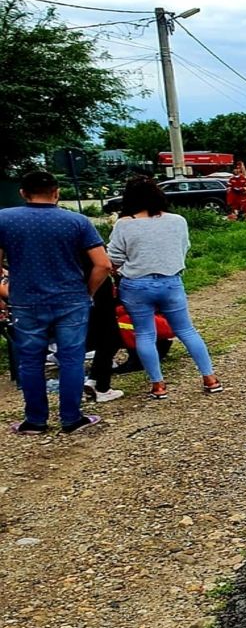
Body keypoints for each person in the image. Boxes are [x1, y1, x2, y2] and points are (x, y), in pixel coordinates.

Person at [0, 171, 111, 434]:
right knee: (71, 359)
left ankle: (35, 421)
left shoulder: (4, 219)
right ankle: (72, 419)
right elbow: (103, 264)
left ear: (23, 193)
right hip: (71, 299)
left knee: (30, 361)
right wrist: (88, 292)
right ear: (57, 192)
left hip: (26, 300)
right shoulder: (78, 221)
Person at [108, 177, 222, 399]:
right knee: (187, 330)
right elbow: (184, 247)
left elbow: (114, 258)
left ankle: (158, 385)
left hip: (136, 286)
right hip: (171, 281)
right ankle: (210, 378)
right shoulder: (177, 220)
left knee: (144, 334)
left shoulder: (124, 224)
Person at [83, 277, 125, 403]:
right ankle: (102, 388)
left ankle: (94, 378)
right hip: (97, 288)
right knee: (110, 338)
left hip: (79, 290)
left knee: (103, 336)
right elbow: (103, 265)